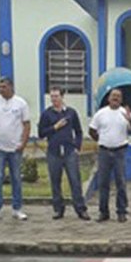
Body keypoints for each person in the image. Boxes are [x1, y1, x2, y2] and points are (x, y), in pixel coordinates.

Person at [38, 86, 90, 221]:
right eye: (52, 97)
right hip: (53, 152)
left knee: (75, 180)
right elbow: (41, 133)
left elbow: (78, 131)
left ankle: (80, 209)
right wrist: (55, 127)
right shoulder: (46, 114)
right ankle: (58, 209)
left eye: (56, 96)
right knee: (55, 181)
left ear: (62, 96)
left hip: (69, 151)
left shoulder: (71, 113)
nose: (54, 99)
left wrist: (77, 146)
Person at [0, 77, 31, 223]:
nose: (1, 89)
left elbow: (27, 124)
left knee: (16, 178)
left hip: (15, 148)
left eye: (3, 87)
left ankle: (17, 209)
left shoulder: (21, 103)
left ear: (11, 87)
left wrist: (23, 143)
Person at [89, 88, 131, 223]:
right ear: (108, 98)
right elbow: (92, 130)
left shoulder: (125, 113)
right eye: (113, 96)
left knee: (121, 182)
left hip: (120, 151)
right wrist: (101, 140)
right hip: (104, 151)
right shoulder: (101, 114)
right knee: (103, 183)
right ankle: (103, 212)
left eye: (118, 96)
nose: (115, 98)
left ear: (121, 99)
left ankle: (122, 211)